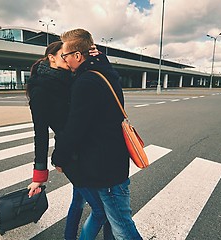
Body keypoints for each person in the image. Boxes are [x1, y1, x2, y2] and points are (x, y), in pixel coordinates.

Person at [51, 29, 142, 240]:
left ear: (77, 56)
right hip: (113, 162)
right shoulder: (104, 73)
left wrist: (59, 157)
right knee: (113, 219)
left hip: (104, 169)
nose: (64, 60)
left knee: (123, 227)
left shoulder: (87, 82)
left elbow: (76, 128)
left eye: (65, 55)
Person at [26, 41, 112, 240]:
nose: (67, 57)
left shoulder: (74, 78)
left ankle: (69, 237)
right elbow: (40, 133)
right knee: (101, 210)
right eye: (63, 54)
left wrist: (98, 58)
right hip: (71, 156)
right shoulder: (40, 89)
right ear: (52, 58)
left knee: (78, 200)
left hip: (86, 151)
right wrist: (39, 175)